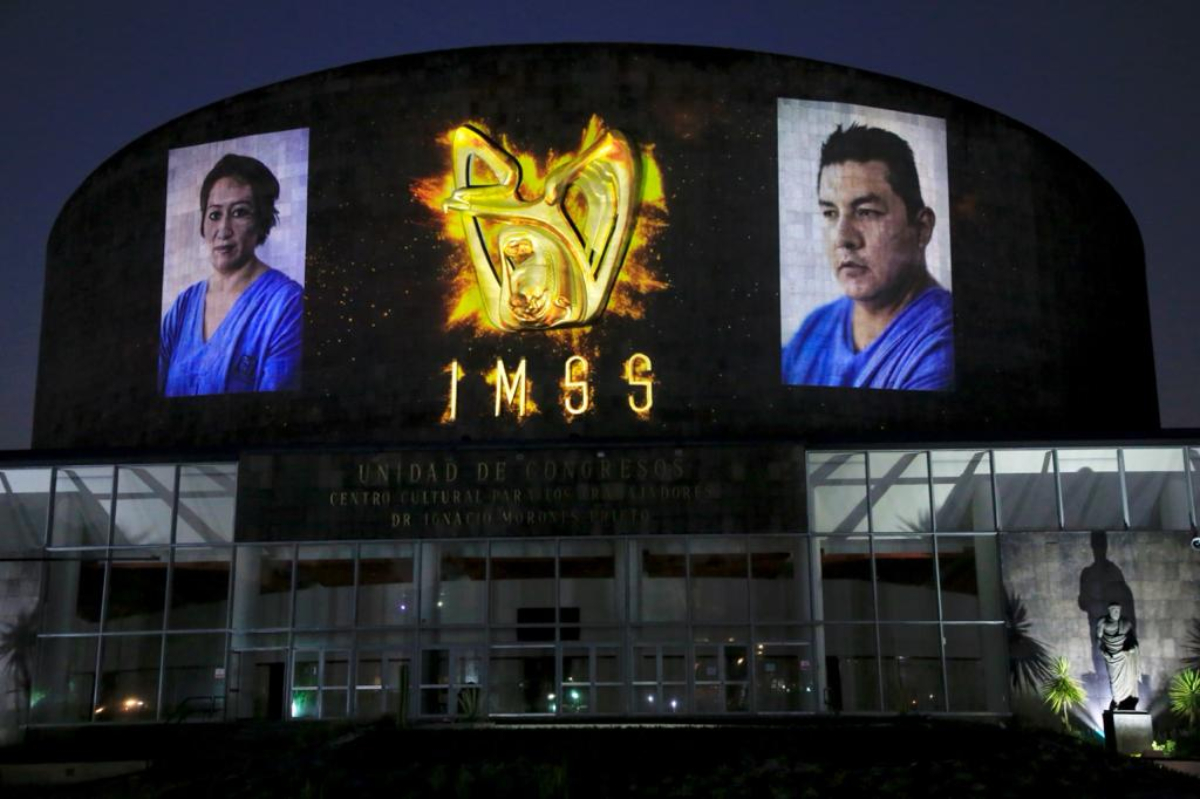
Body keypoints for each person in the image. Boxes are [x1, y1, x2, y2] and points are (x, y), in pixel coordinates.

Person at [782, 123, 953, 390]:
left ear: (921, 229)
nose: (842, 238)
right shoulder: (813, 330)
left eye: (866, 212)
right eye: (830, 213)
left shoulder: (941, 345)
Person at [159, 154, 302, 396]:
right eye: (214, 215)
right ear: (203, 225)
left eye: (239, 212)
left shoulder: (287, 305)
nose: (223, 230)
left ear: (261, 221)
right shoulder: (183, 307)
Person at [1097, 601, 1140, 710]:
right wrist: (1103, 651)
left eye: (1118, 610)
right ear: (1109, 611)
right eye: (1114, 610)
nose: (1116, 612)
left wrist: (1131, 648)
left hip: (1124, 657)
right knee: (1114, 682)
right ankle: (1116, 700)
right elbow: (1099, 640)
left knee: (1128, 679)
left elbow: (1133, 640)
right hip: (1111, 658)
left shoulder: (1125, 623)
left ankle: (1124, 703)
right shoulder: (1103, 623)